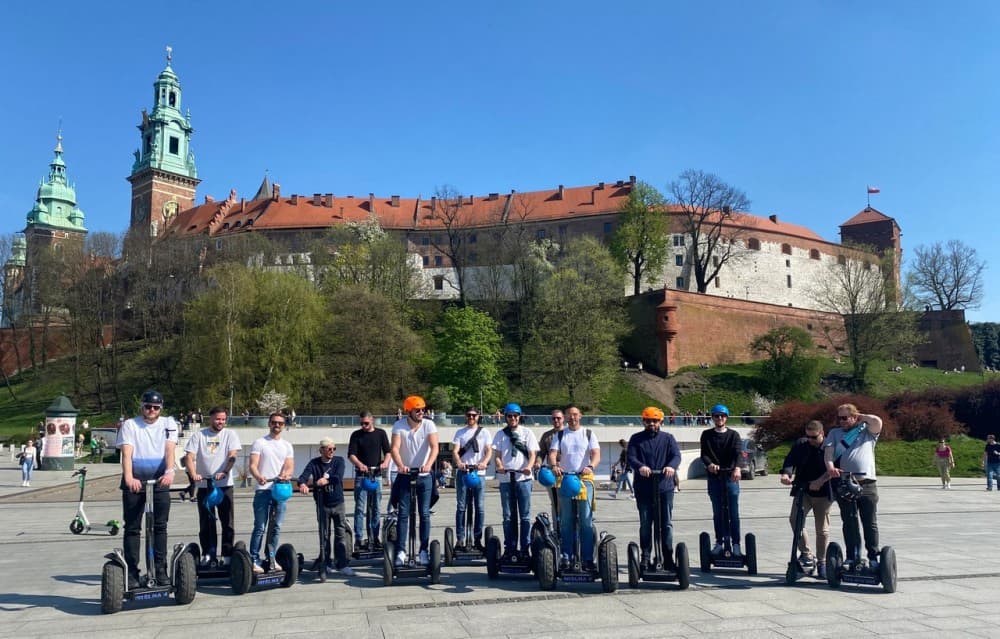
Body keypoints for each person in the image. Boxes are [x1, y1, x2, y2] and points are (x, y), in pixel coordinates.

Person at [116, 390, 178, 587]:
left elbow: (170, 449)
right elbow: (127, 453)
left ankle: (160, 570)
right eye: (148, 407)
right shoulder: (130, 425)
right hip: (135, 481)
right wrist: (129, 477)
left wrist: (169, 471)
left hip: (160, 481)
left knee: (160, 526)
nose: (151, 410)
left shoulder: (169, 423)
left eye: (156, 407)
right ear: (141, 407)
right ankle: (132, 573)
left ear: (160, 408)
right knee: (132, 527)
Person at [824, 403, 884, 569]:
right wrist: (830, 467)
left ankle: (873, 557)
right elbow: (828, 453)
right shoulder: (835, 433)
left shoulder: (866, 431)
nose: (841, 421)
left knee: (869, 522)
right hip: (846, 483)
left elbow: (877, 421)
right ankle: (852, 557)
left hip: (867, 484)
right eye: (839, 418)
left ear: (854, 417)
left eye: (845, 418)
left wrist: (860, 416)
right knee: (849, 522)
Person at [183, 406, 241, 566]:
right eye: (217, 419)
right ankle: (208, 553)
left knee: (227, 522)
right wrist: (193, 474)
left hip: (224, 485)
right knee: (206, 522)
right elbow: (189, 457)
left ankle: (227, 554)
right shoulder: (199, 435)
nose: (220, 422)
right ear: (211, 418)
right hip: (204, 485)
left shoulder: (230, 435)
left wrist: (225, 471)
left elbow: (232, 456)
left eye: (223, 419)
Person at [627, 407, 681, 569]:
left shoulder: (668, 438)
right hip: (644, 488)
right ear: (643, 421)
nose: (652, 423)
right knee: (645, 523)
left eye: (655, 421)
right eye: (648, 420)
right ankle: (645, 556)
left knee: (666, 523)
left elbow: (676, 455)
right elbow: (631, 457)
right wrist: (640, 466)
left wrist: (671, 466)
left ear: (661, 422)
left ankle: (667, 555)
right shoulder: (636, 439)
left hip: (664, 487)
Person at [779, 420, 833, 579]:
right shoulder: (802, 444)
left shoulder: (829, 447)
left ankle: (822, 561)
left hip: (823, 492)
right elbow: (790, 460)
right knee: (795, 519)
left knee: (822, 529)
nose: (810, 440)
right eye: (807, 437)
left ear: (822, 434)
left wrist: (820, 481)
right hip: (803, 489)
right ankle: (806, 554)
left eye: (813, 437)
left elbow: (834, 468)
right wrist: (786, 473)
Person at [390, 395, 439, 567]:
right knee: (403, 515)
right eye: (417, 410)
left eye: (423, 410)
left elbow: (435, 447)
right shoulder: (399, 425)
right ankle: (401, 551)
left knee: (424, 514)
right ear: (408, 411)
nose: (421, 412)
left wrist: (428, 465)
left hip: (424, 477)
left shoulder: (429, 424)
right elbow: (394, 448)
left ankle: (424, 551)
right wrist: (400, 465)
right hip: (405, 476)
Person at [549, 404, 600, 568]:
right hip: (565, 480)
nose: (572, 417)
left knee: (586, 520)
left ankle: (587, 558)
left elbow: (596, 454)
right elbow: (552, 453)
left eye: (575, 414)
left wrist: (591, 466)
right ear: (565, 417)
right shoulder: (561, 435)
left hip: (584, 480)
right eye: (569, 415)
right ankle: (566, 556)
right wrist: (554, 466)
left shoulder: (589, 433)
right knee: (566, 520)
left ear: (580, 416)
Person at [247, 412, 295, 574]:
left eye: (280, 423)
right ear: (269, 424)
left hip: (279, 491)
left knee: (276, 527)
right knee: (260, 526)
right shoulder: (260, 443)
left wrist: (285, 475)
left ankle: (271, 557)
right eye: (274, 422)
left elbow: (289, 466)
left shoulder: (287, 445)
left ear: (284, 426)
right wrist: (259, 476)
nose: (277, 425)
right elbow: (253, 465)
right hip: (263, 491)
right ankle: (254, 558)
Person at [299, 438, 354, 576]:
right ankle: (326, 562)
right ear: (321, 450)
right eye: (329, 449)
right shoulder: (314, 463)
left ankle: (342, 564)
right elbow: (303, 476)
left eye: (333, 449)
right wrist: (303, 484)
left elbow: (338, 477)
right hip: (322, 504)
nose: (331, 451)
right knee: (324, 534)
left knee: (340, 533)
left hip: (338, 502)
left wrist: (326, 480)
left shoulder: (339, 461)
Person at [492, 402, 538, 560]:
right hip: (506, 479)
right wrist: (499, 466)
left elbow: (532, 455)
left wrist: (529, 467)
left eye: (515, 416)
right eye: (510, 416)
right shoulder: (500, 434)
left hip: (524, 479)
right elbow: (497, 455)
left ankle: (525, 548)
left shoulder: (527, 433)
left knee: (525, 516)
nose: (512, 418)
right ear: (505, 417)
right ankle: (509, 547)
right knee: (508, 516)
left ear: (519, 417)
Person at [700, 403, 743, 555]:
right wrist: (710, 464)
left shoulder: (734, 435)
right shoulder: (707, 435)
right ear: (712, 418)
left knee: (733, 512)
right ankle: (719, 542)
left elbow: (738, 453)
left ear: (726, 418)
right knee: (718, 512)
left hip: (730, 477)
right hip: (715, 478)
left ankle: (736, 544)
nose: (719, 418)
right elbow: (703, 454)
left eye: (722, 416)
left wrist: (737, 468)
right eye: (717, 416)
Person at [347, 411, 391, 549]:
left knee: (376, 507)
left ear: (372, 420)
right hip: (362, 475)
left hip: (376, 475)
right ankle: (359, 539)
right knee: (360, 508)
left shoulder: (381, 433)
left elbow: (388, 451)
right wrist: (359, 464)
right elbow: (351, 454)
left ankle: (375, 537)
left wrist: (385, 463)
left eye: (366, 423)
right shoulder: (356, 435)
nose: (364, 426)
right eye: (361, 424)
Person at [452, 407, 493, 551]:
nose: (471, 417)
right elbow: (456, 451)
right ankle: (460, 539)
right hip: (463, 472)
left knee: (479, 507)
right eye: (469, 415)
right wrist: (459, 462)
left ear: (478, 417)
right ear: (465, 416)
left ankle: (477, 539)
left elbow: (489, 450)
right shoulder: (460, 432)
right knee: (461, 506)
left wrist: (484, 463)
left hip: (479, 473)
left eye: (474, 415)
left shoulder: (485, 432)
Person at [536, 409, 565, 474]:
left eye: (558, 418)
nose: (556, 420)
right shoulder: (546, 435)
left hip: (567, 471)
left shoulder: (569, 434)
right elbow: (541, 453)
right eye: (554, 418)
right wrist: (538, 462)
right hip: (552, 471)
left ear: (563, 418)